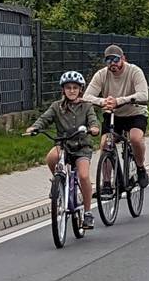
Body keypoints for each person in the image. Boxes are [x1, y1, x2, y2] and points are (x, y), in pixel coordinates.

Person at [25, 71, 100, 224]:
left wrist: (93, 128)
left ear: (81, 89)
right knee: (51, 157)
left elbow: (93, 120)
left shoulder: (86, 106)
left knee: (84, 176)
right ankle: (59, 183)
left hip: (81, 146)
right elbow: (44, 119)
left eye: (75, 87)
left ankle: (87, 212)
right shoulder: (56, 107)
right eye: (68, 88)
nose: (71, 91)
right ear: (63, 90)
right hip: (63, 144)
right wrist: (34, 127)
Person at [86, 44, 149, 179]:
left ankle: (140, 167)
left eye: (116, 60)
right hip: (113, 115)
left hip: (134, 112)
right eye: (108, 60)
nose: (112, 64)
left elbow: (143, 95)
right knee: (105, 144)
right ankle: (106, 182)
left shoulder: (134, 71)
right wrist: (103, 102)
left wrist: (119, 101)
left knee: (135, 139)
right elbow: (87, 96)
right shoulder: (101, 75)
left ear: (123, 58)